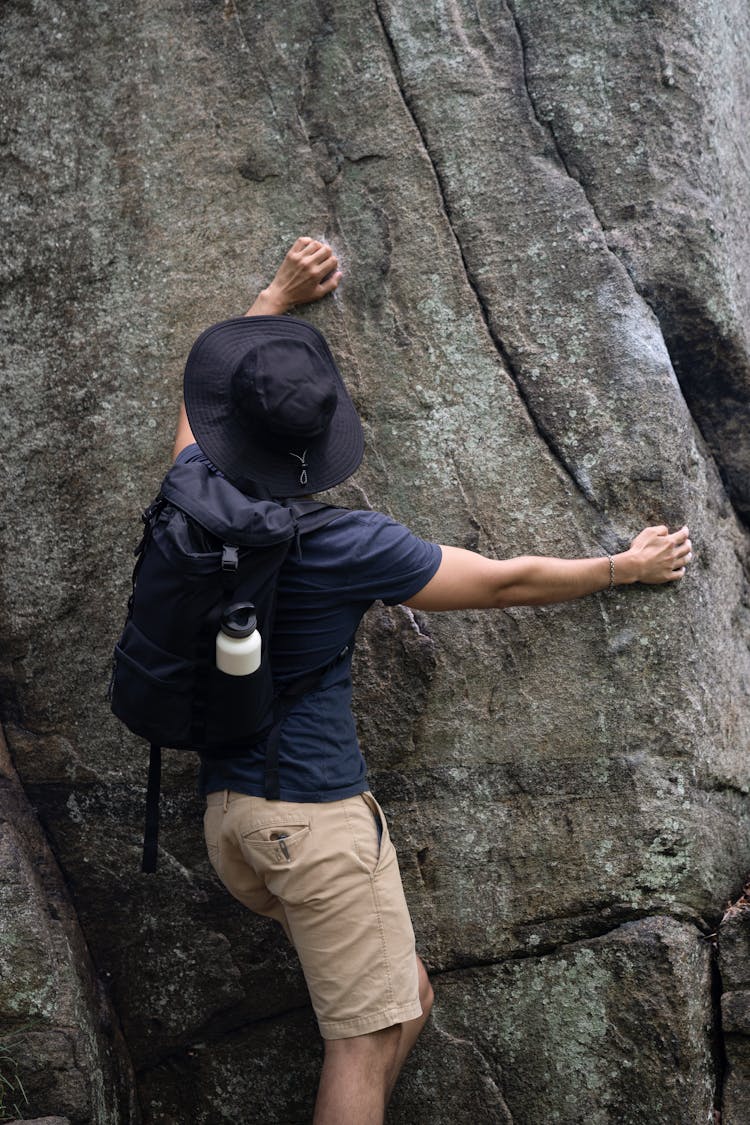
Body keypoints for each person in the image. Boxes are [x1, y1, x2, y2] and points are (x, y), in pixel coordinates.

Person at [172, 237, 693, 1125]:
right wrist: (623, 568)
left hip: (232, 820)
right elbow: (501, 580)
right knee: (362, 1045)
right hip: (316, 819)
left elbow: (201, 414)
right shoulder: (344, 544)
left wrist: (272, 299)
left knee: (403, 994)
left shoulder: (187, 496)